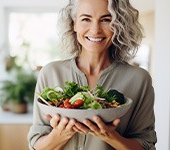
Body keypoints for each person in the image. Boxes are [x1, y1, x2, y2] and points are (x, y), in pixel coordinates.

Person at [27, 0, 157, 149]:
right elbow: (36, 145)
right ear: (74, 23)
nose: (95, 30)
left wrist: (110, 136)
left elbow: (147, 146)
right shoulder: (50, 73)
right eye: (86, 19)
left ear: (119, 24)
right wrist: (61, 134)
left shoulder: (139, 79)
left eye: (106, 19)